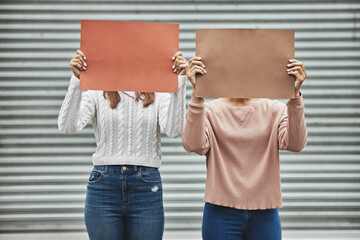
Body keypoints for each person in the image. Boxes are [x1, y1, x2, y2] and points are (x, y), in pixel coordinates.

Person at [58, 49, 188, 240]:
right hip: (103, 185)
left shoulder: (158, 91)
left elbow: (175, 130)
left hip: (146, 185)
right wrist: (77, 80)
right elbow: (67, 126)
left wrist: (180, 81)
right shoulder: (97, 89)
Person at [182, 56, 308, 240]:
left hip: (264, 214)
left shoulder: (275, 110)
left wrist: (295, 97)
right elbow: (193, 145)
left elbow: (296, 144)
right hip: (220, 212)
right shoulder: (209, 111)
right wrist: (197, 95)